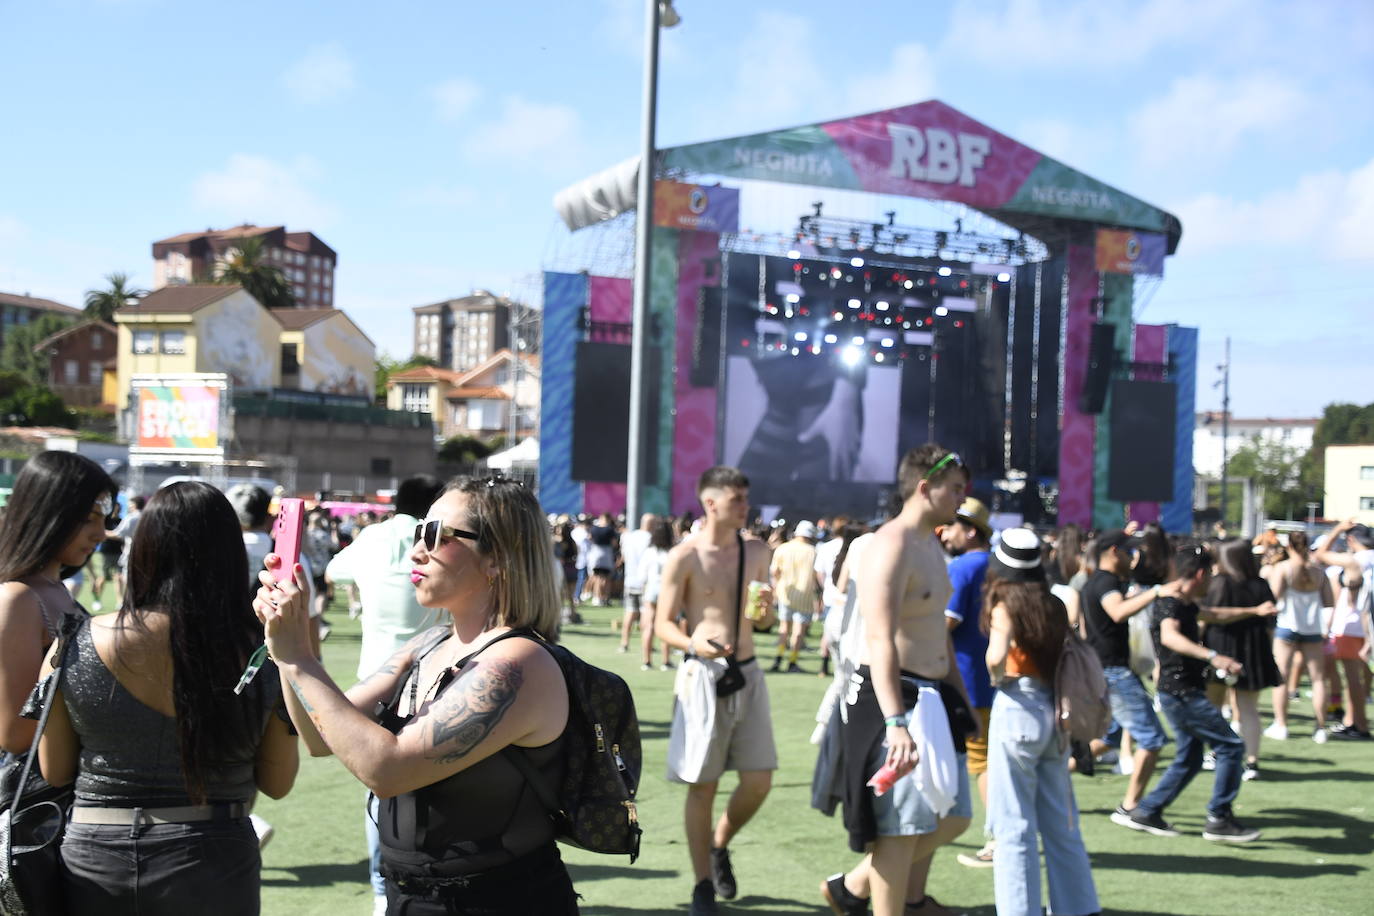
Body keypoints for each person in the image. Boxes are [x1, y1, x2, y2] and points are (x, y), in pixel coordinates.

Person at [256, 476, 579, 915]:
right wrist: (284, 649)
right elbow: (318, 737)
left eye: (435, 536)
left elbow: (386, 769)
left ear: (497, 559)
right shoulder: (427, 645)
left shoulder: (519, 664)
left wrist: (299, 659)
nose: (416, 551)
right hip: (414, 898)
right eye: (417, 533)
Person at [37, 481, 299, 913]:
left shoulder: (75, 640)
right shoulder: (262, 652)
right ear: (230, 557)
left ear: (144, 550)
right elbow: (277, 783)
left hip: (96, 857)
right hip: (212, 856)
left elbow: (55, 770)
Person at [823, 445, 977, 916]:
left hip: (935, 696)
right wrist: (895, 721)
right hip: (895, 697)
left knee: (953, 817)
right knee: (900, 830)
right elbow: (880, 639)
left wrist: (962, 697)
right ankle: (871, 898)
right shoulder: (889, 545)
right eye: (955, 490)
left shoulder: (932, 541)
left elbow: (936, 631)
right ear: (925, 487)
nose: (962, 499)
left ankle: (851, 887)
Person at [655, 466, 778, 916]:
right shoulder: (684, 556)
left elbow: (763, 619)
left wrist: (766, 614)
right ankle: (702, 885)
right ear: (711, 503)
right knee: (702, 785)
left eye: (746, 498)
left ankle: (719, 842)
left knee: (759, 779)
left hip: (748, 671)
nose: (745, 506)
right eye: (737, 499)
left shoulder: (758, 550)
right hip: (702, 676)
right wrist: (692, 642)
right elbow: (662, 623)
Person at [324, 473, 444, 913]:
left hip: (374, 679)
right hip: (434, 675)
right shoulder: (438, 541)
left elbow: (334, 570)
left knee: (380, 788)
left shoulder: (374, 537)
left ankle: (382, 888)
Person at [1113, 543, 1267, 843]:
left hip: (1179, 691)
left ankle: (1147, 811)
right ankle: (1219, 819)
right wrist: (1213, 657)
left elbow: (1213, 615)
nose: (1211, 580)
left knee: (1190, 757)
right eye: (1209, 574)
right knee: (1231, 747)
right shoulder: (1170, 602)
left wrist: (1252, 611)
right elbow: (1170, 637)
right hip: (1182, 692)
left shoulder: (1184, 601)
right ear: (1199, 574)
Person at [982, 528, 1100, 916]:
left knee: (1013, 827)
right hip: (1054, 709)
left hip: (1017, 705)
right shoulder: (1053, 602)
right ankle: (1079, 908)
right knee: (1062, 826)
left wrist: (995, 678)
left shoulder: (1004, 602)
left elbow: (996, 657)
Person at [1, 452, 116, 813]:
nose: (100, 533)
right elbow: (14, 734)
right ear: (49, 514)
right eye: (88, 519)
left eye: (105, 519)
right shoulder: (18, 598)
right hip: (34, 806)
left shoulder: (55, 589)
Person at [1081, 529, 1170, 815]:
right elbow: (1117, 612)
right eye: (1130, 552)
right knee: (1152, 738)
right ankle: (1131, 806)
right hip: (1113, 671)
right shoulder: (1106, 582)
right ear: (1113, 552)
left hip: (1103, 668)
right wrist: (1156, 592)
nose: (1135, 558)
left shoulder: (1096, 581)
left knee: (1109, 738)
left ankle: (1049, 778)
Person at [940, 497, 995, 869]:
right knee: (992, 759)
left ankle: (999, 840)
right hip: (995, 675)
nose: (946, 532)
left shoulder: (963, 565)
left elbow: (946, 622)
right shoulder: (997, 563)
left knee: (981, 762)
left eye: (954, 526)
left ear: (970, 530)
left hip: (967, 678)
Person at [1202, 539, 1281, 779]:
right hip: (1253, 650)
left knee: (1215, 705)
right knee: (1249, 708)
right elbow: (1270, 624)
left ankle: (1216, 753)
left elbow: (1209, 616)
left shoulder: (1220, 583)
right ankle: (1252, 761)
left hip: (1221, 648)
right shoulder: (1261, 585)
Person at [1262, 531, 1332, 742]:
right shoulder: (1319, 572)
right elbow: (1329, 603)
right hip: (1313, 628)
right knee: (1318, 679)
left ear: (1289, 546)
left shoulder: (1283, 568)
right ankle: (1320, 727)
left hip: (1287, 626)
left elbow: (1272, 598)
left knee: (1281, 676)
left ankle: (1281, 724)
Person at [1313, 520, 1373, 739]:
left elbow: (1320, 554)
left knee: (1352, 678)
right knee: (1360, 676)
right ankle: (1351, 721)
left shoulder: (1354, 560)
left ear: (1351, 540)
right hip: (1367, 624)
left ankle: (1361, 725)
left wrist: (1336, 530)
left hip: (1352, 623)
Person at [770, 520, 821, 673]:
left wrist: (778, 585)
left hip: (785, 593)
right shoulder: (813, 552)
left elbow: (774, 572)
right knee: (799, 631)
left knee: (784, 627)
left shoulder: (783, 548)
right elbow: (817, 577)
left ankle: (778, 657)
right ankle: (792, 661)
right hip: (805, 596)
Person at [637, 518, 676, 671]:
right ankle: (666, 661)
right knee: (665, 625)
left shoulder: (650, 552)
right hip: (666, 590)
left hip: (651, 589)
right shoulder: (672, 553)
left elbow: (642, 575)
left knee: (649, 627)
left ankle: (646, 661)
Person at [619, 513, 656, 654]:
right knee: (645, 614)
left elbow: (623, 556)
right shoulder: (650, 539)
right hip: (645, 582)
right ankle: (646, 645)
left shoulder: (630, 537)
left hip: (630, 579)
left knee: (629, 612)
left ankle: (624, 642)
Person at [586, 512, 617, 606]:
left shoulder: (594, 528)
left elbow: (589, 538)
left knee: (597, 577)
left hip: (595, 553)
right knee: (606, 578)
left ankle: (597, 597)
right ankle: (605, 597)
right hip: (606, 553)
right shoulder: (610, 529)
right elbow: (614, 543)